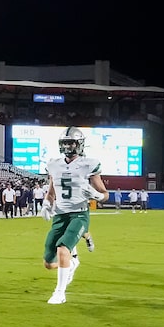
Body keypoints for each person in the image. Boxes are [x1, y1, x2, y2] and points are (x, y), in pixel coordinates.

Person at [41, 127, 108, 305]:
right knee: (48, 263)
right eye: (65, 143)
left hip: (79, 214)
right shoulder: (54, 164)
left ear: (79, 144)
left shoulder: (88, 164)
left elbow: (104, 193)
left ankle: (60, 293)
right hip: (60, 215)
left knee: (63, 249)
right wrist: (47, 202)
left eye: (71, 142)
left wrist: (97, 196)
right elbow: (52, 188)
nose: (68, 146)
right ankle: (70, 264)